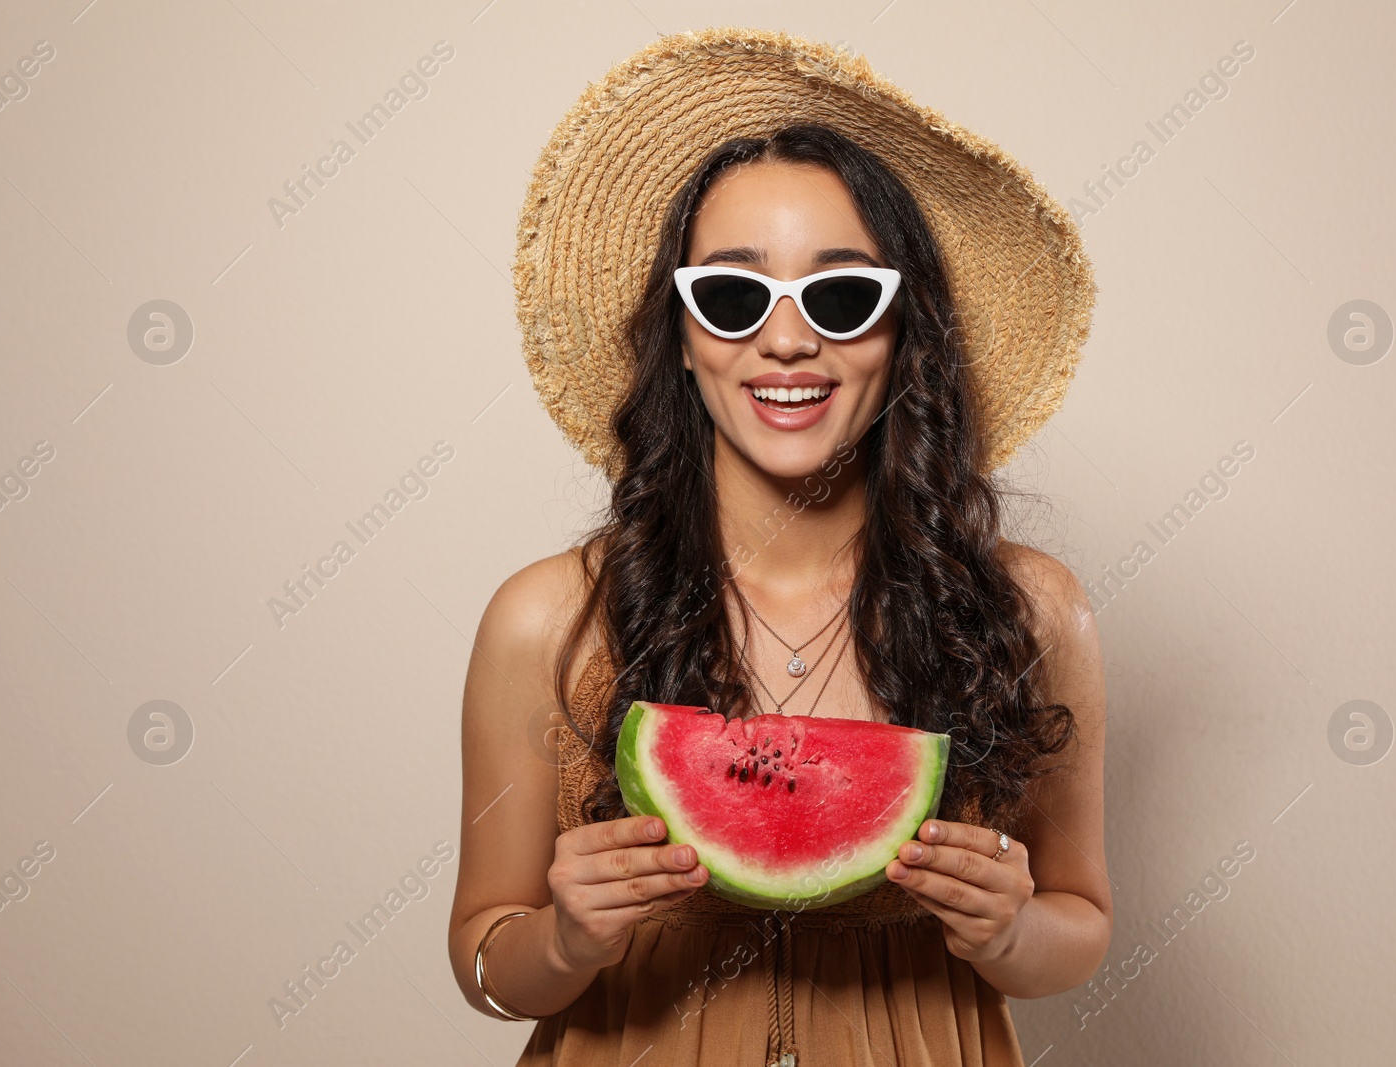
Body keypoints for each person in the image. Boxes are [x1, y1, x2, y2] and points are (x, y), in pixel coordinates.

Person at [448, 27, 1110, 1067]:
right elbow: (483, 957)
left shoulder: (1029, 607)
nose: (788, 340)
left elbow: (1080, 921)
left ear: (905, 332)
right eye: (732, 293)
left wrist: (1013, 928)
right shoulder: (546, 618)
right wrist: (565, 937)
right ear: (679, 333)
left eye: (844, 296)